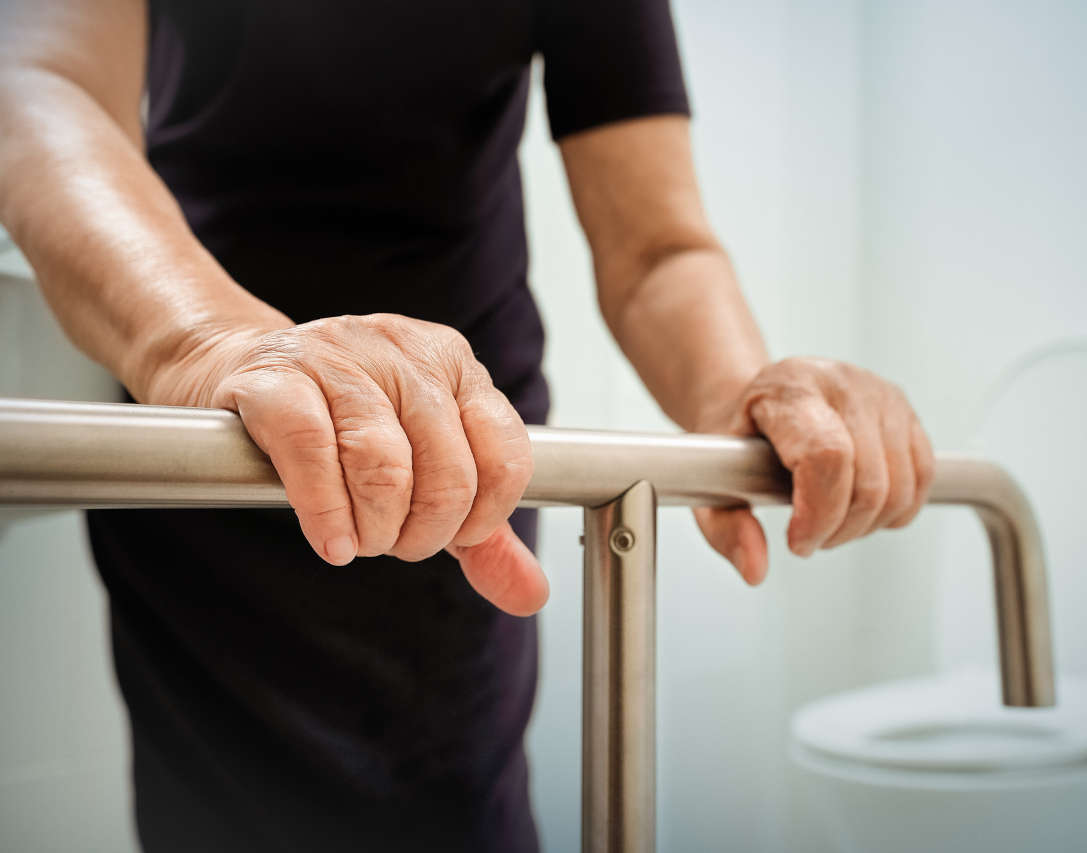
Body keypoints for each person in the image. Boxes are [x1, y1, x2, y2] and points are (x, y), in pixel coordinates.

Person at [0, 1, 936, 850]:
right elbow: (43, 81)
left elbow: (657, 247)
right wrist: (207, 340)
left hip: (460, 463)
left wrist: (733, 388)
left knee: (457, 806)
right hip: (213, 433)